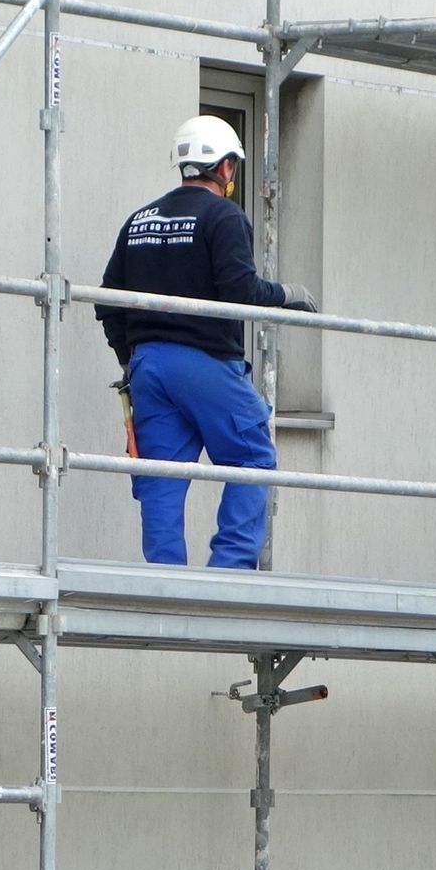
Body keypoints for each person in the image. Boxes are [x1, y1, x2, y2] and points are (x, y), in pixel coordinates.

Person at [97, 114, 318, 569]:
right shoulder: (223, 216)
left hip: (148, 367)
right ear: (224, 167)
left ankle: (167, 583)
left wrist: (129, 358)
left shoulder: (139, 220)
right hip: (204, 363)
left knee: (162, 476)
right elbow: (241, 290)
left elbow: (107, 299)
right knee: (251, 457)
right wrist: (287, 295)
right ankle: (229, 573)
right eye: (232, 165)